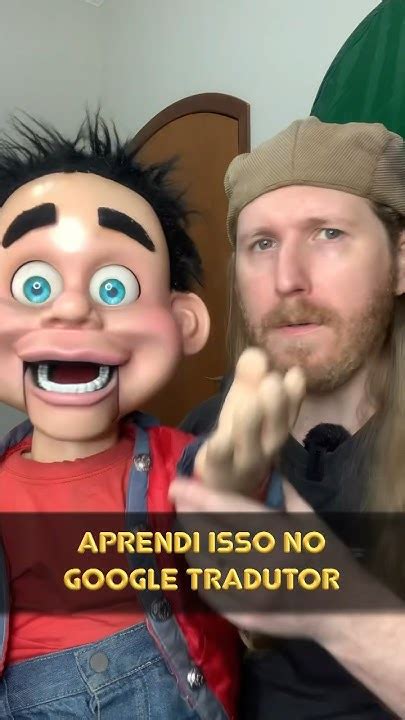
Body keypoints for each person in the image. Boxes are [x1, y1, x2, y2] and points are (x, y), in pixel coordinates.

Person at [0, 113, 242, 720]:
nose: (72, 309)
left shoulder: (181, 464)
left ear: (183, 321)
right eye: (34, 286)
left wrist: (245, 476)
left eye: (114, 287)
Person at [174, 117, 405, 719]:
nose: (287, 280)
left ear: (401, 260)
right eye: (263, 244)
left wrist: (333, 604)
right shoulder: (199, 437)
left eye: (328, 233)